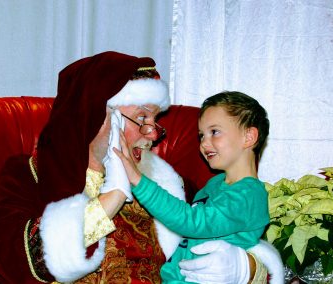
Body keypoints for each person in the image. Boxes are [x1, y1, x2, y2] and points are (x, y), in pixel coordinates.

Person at [0, 51, 283, 283]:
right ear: (98, 117)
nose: (152, 134)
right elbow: (8, 265)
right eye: (142, 119)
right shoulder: (28, 176)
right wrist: (113, 195)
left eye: (155, 122)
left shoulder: (169, 184)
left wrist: (248, 268)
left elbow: (238, 227)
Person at [114, 91, 273, 283]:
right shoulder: (214, 184)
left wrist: (137, 179)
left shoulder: (250, 195)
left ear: (249, 137)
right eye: (201, 136)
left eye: (214, 132)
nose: (204, 143)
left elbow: (192, 222)